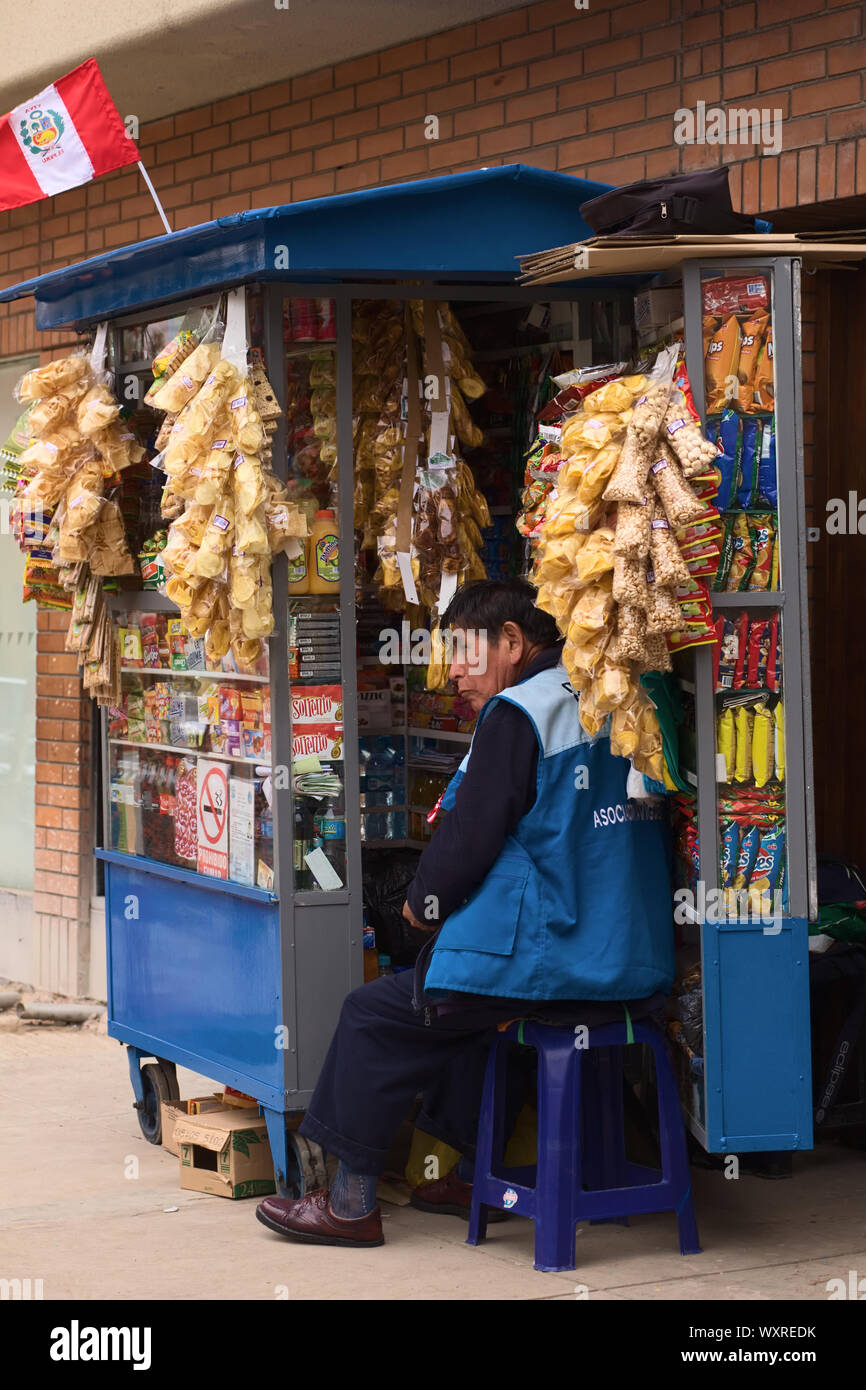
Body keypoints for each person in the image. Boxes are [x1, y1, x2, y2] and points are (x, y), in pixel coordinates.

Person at [256, 578, 674, 1248]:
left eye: (462, 650)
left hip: (557, 958)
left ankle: (350, 1203)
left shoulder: (522, 712)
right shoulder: (625, 694)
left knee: (381, 1012)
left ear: (511, 641)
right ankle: (455, 1174)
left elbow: (469, 838)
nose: (452, 671)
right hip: (634, 958)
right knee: (466, 1008)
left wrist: (424, 905)